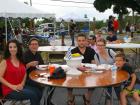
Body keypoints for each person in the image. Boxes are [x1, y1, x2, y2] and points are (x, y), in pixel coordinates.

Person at [0, 39, 41, 105]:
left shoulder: (20, 59)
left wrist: (22, 84)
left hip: (19, 86)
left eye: (14, 47)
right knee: (33, 95)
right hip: (9, 90)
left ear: (18, 48)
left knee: (38, 91)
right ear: (8, 49)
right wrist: (12, 86)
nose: (12, 49)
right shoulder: (5, 61)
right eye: (10, 47)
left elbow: (25, 72)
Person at [68, 33, 96, 105]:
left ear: (86, 41)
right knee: (69, 81)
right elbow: (69, 64)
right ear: (77, 41)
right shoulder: (73, 51)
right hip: (75, 71)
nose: (81, 42)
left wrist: (89, 68)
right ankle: (71, 99)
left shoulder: (91, 50)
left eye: (83, 40)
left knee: (93, 82)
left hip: (88, 71)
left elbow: (93, 63)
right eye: (79, 40)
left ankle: (87, 98)